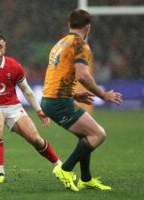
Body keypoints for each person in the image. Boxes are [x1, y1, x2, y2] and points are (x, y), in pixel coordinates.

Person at [41, 9, 123, 192]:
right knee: (98, 134)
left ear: (70, 25)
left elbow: (57, 75)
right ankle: (65, 169)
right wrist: (103, 95)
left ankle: (86, 179)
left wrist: (75, 95)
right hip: (58, 102)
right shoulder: (81, 45)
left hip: (53, 98)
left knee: (86, 136)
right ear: (88, 27)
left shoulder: (60, 43)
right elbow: (83, 76)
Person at [0, 33, 62, 183]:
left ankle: (59, 166)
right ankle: (0, 172)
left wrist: (39, 111)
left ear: (4, 49)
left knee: (35, 139)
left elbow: (26, 90)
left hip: (13, 106)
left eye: (0, 47)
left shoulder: (14, 66)